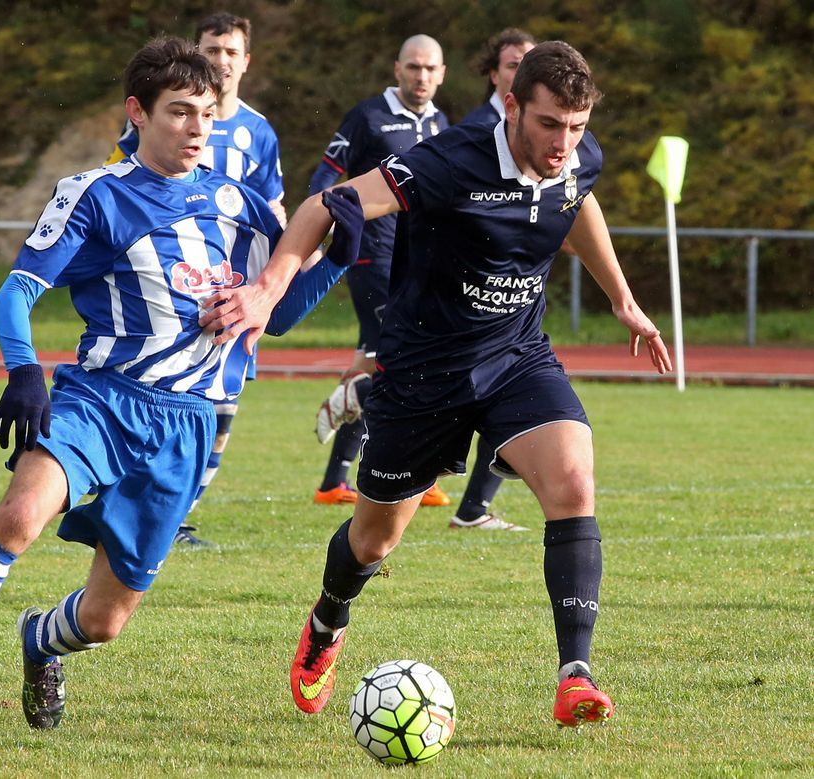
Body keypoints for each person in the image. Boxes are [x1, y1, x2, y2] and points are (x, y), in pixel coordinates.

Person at [0, 36, 361, 746]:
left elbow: (276, 315)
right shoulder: (95, 194)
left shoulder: (243, 206)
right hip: (102, 401)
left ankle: (39, 638)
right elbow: (15, 294)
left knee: (103, 621)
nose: (197, 128)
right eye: (179, 112)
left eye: (206, 114)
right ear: (138, 112)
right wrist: (23, 372)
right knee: (17, 518)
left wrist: (337, 259)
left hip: (188, 426)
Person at [201, 41, 672, 728]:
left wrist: (622, 299)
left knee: (574, 482)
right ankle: (328, 621)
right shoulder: (450, 160)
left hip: (516, 356)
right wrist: (269, 288)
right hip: (423, 372)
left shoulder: (577, 155)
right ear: (511, 106)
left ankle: (576, 673)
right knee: (374, 540)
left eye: (576, 127)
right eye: (549, 124)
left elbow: (578, 200)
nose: (563, 143)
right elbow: (328, 204)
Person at [106, 13, 286, 547]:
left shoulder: (258, 131)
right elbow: (121, 178)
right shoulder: (160, 118)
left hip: (233, 286)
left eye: (230, 52)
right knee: (156, 390)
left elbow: (272, 206)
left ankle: (177, 514)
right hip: (171, 281)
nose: (221, 61)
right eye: (212, 50)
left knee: (221, 406)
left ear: (246, 62)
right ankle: (140, 509)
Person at [308, 34, 452, 509]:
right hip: (372, 257)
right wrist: (313, 237)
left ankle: (334, 481)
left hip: (419, 261)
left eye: (429, 68)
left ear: (442, 74)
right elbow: (325, 175)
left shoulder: (441, 124)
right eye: (413, 67)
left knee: (377, 361)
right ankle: (414, 470)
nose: (421, 76)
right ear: (397, 69)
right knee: (406, 361)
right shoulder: (368, 116)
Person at [450, 28, 538, 532]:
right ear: (494, 74)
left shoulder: (549, 132)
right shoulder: (477, 132)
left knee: (517, 386)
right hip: (467, 293)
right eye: (512, 63)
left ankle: (473, 508)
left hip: (516, 286)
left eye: (529, 62)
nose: (522, 70)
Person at [460, 28, 537, 126]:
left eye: (530, 66)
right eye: (513, 66)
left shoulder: (542, 125)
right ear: (494, 76)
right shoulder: (476, 127)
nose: (523, 72)